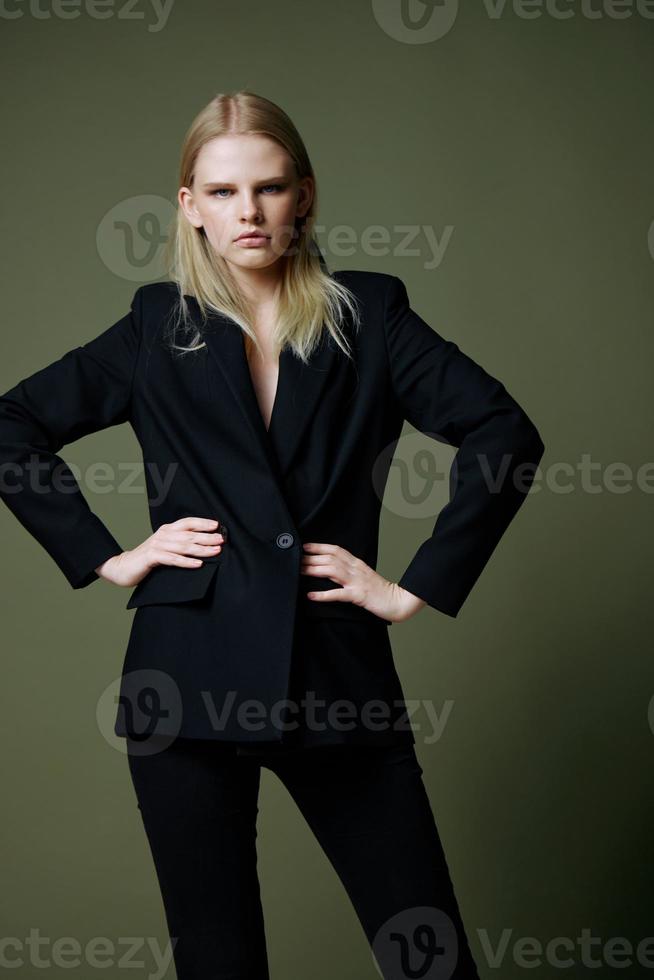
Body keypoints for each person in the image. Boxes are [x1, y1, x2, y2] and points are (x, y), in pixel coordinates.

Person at [0, 90, 545, 979]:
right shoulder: (153, 326)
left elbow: (504, 434)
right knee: (218, 965)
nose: (247, 212)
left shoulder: (371, 314)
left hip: (336, 671)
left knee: (429, 957)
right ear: (188, 206)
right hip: (183, 681)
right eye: (220, 192)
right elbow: (10, 425)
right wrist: (109, 556)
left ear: (306, 195)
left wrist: (412, 587)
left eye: (269, 187)